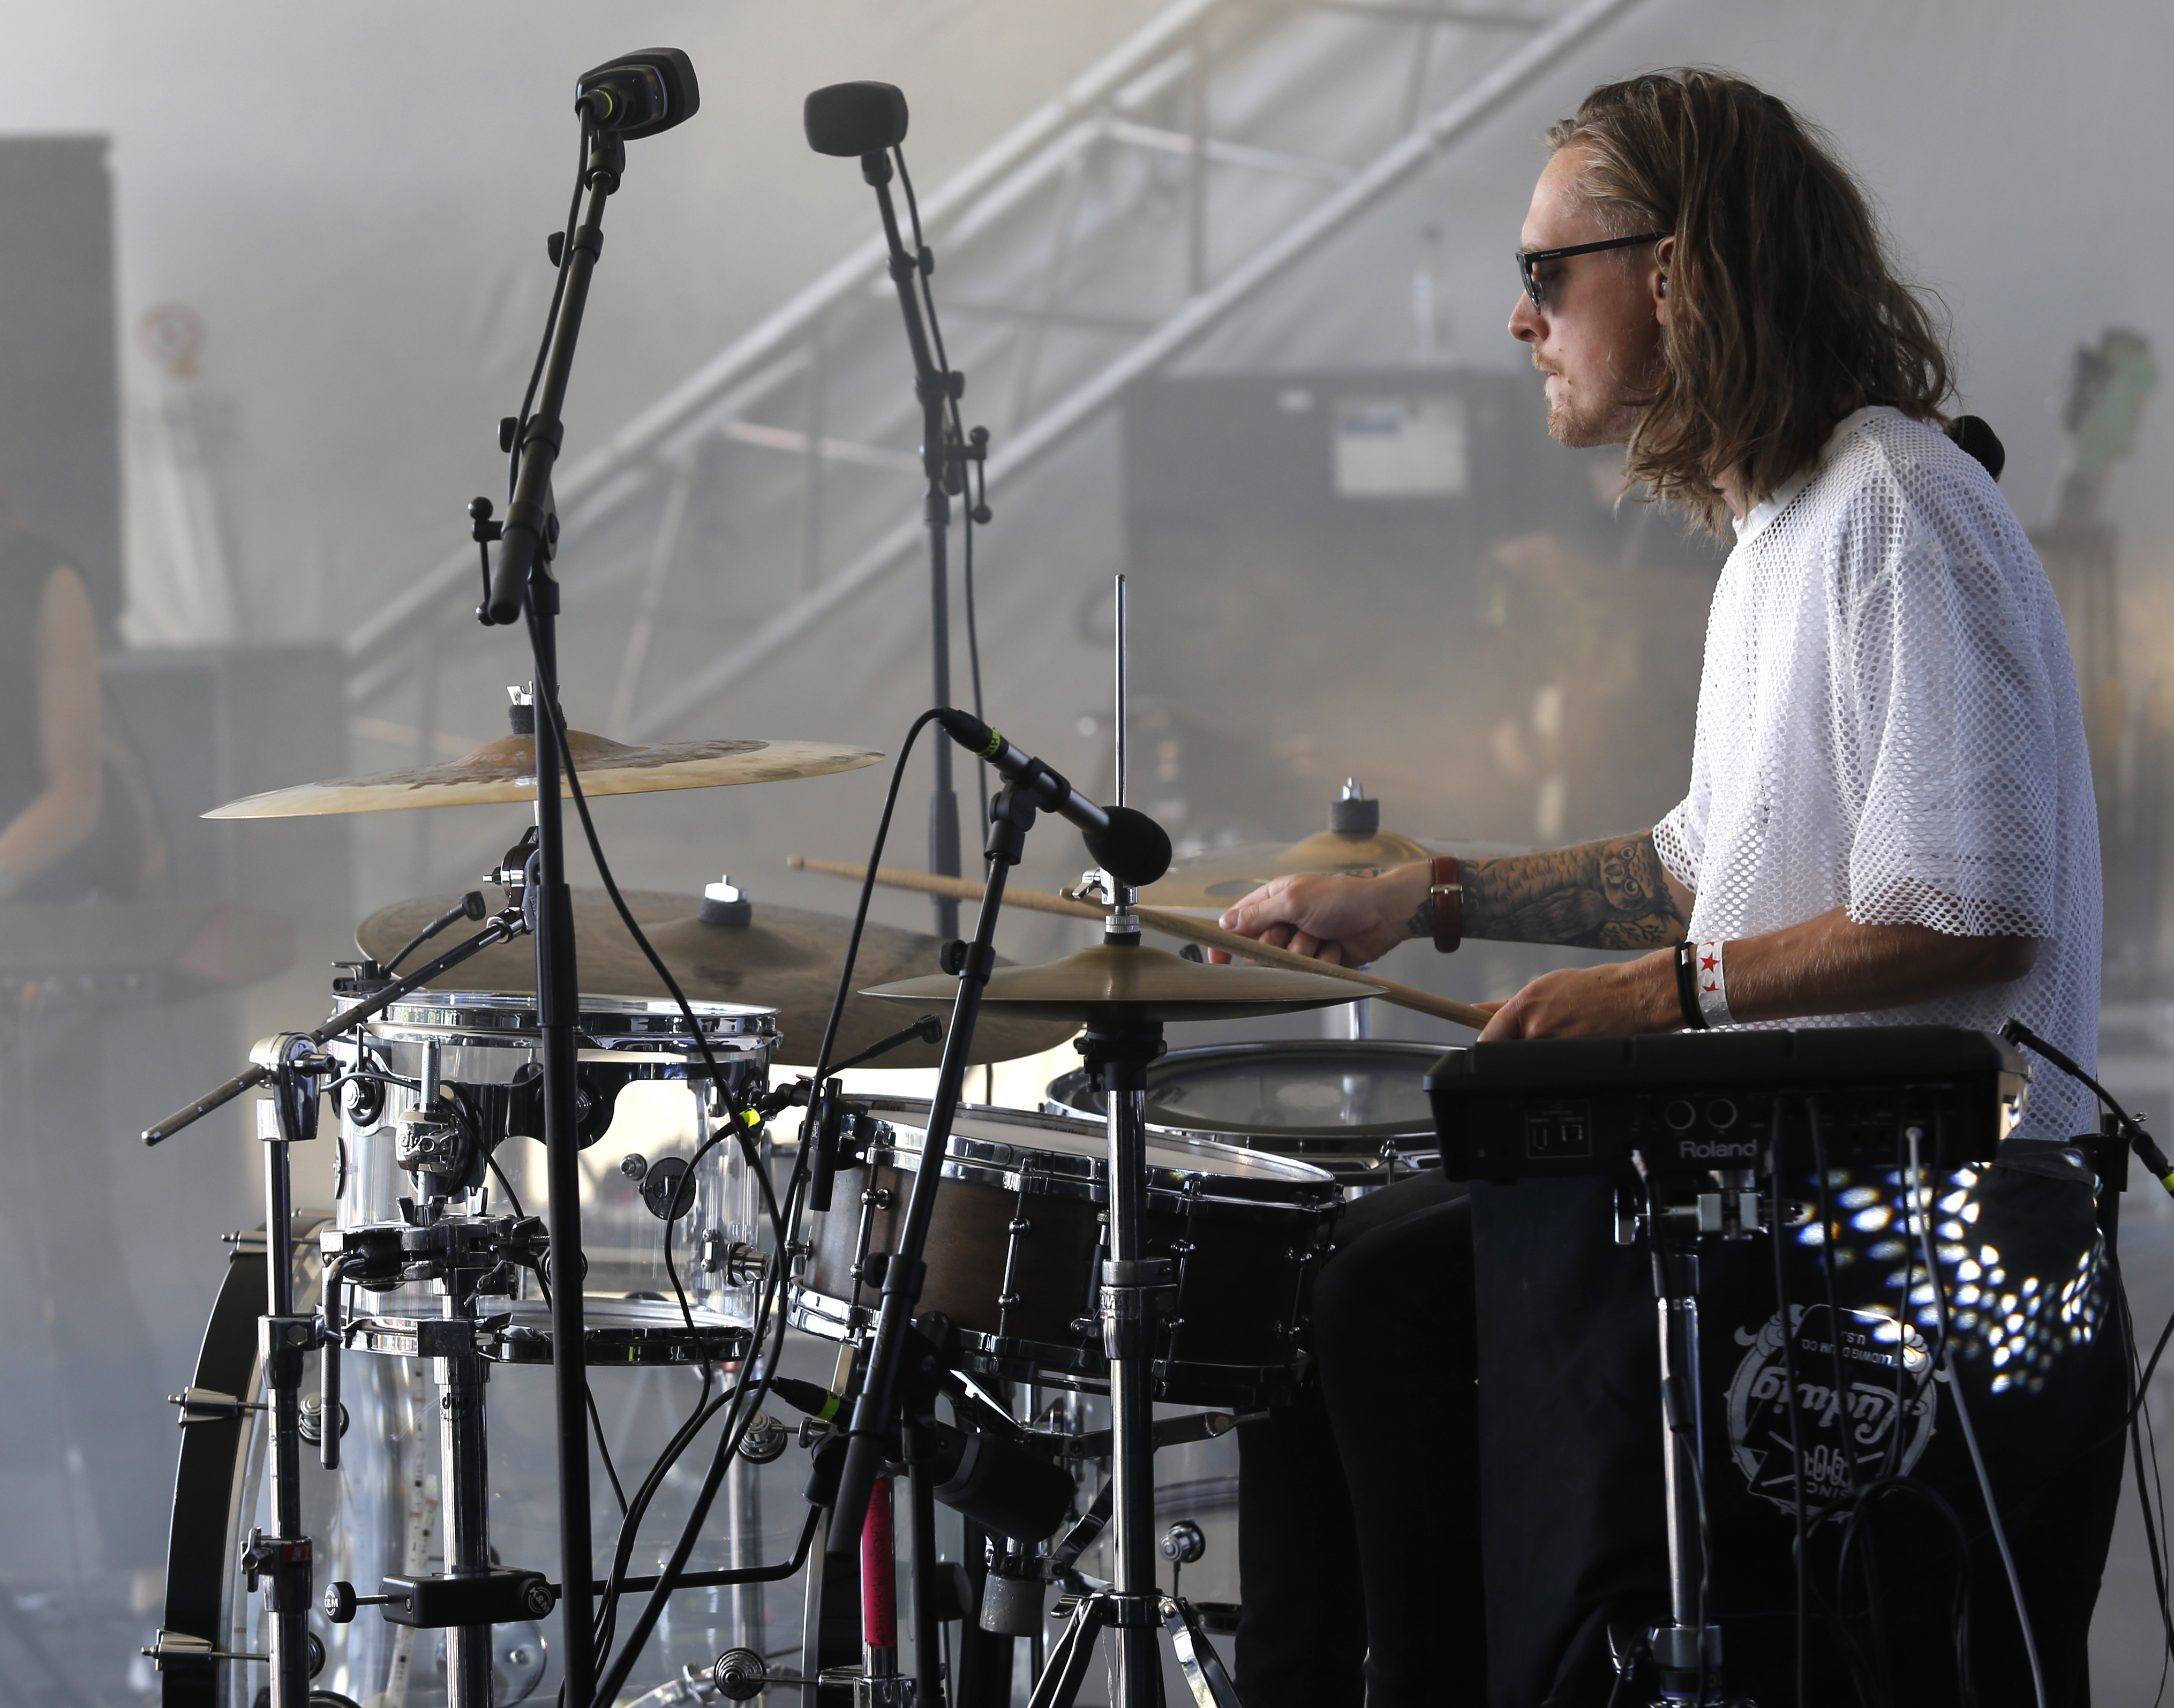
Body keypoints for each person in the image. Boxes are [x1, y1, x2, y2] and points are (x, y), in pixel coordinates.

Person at [1222, 70, 2111, 1707]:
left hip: (1903, 1227)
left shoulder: (1896, 508)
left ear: (1679, 275)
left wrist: (1655, 999)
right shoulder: (1785, 527)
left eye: (1546, 272)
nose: (1520, 318)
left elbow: (1963, 908)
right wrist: (1423, 895)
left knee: (1367, 1295)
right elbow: (1698, 865)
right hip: (1786, 1190)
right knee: (1321, 1275)